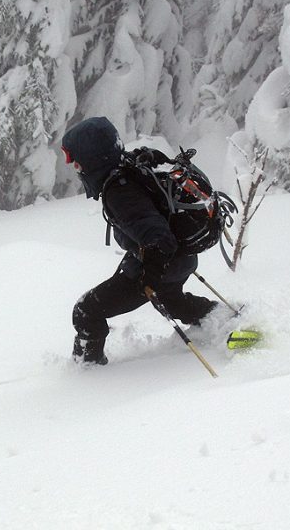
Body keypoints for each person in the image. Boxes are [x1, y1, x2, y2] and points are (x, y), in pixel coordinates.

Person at [61, 116, 219, 365]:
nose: (75, 167)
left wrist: (150, 277)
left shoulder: (120, 191)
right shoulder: (128, 164)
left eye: (75, 160)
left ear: (92, 157)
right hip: (179, 259)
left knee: (86, 312)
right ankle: (222, 319)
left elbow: (159, 239)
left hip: (163, 263)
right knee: (173, 302)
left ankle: (86, 374)